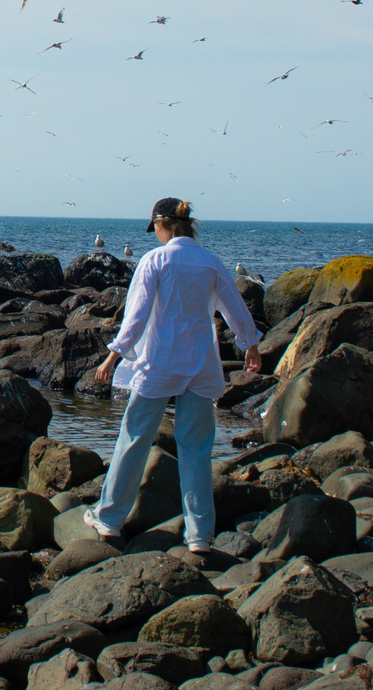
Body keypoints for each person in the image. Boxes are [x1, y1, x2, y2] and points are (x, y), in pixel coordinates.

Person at [82, 197, 264, 554]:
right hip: (200, 365)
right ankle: (199, 536)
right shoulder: (210, 262)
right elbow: (235, 308)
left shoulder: (156, 260)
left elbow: (136, 315)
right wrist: (250, 345)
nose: (155, 236)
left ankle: (109, 519)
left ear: (162, 226)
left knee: (134, 439)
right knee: (196, 448)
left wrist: (113, 356)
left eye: (156, 230)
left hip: (159, 364)